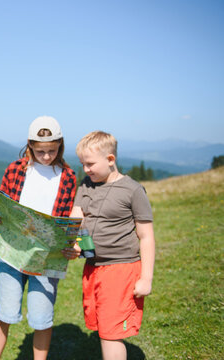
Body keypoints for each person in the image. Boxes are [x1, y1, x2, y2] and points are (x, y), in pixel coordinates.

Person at [0, 116, 77, 360]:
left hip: (46, 258)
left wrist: (75, 244)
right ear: (29, 147)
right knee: (4, 312)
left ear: (60, 146)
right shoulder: (15, 169)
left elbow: (70, 217)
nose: (46, 156)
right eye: (40, 151)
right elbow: (3, 206)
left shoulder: (67, 177)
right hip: (13, 253)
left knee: (41, 317)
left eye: (52, 151)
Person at [70, 131, 155, 360]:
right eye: (82, 164)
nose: (85, 169)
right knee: (102, 327)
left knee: (110, 333)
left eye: (90, 164)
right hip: (93, 268)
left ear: (110, 159)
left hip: (121, 269)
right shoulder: (87, 185)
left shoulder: (133, 190)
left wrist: (146, 279)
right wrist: (73, 243)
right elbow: (76, 218)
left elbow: (146, 236)